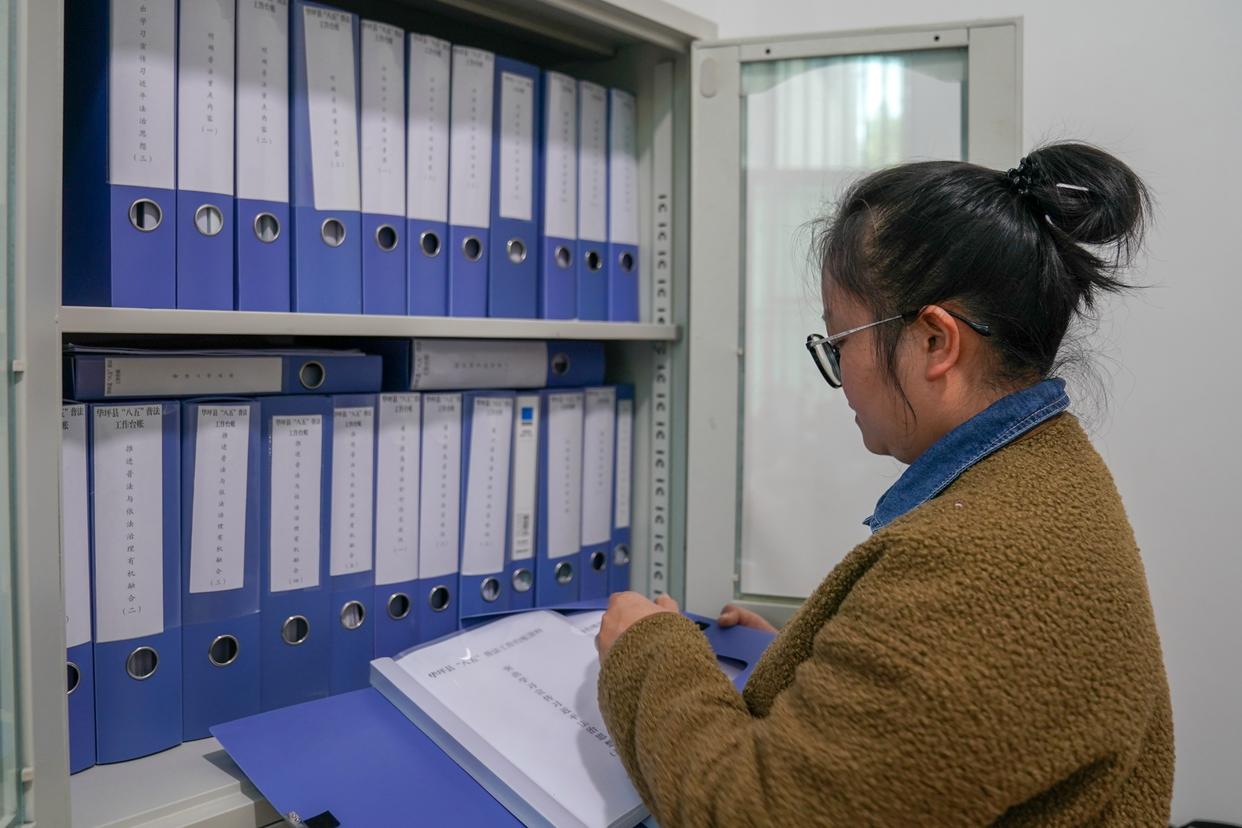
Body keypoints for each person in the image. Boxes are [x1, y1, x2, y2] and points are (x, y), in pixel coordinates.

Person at [594, 143, 1173, 826]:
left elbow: (756, 814)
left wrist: (647, 652)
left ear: (935, 342)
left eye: (840, 343)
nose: (839, 374)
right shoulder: (1044, 475)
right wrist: (801, 660)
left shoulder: (979, 567)